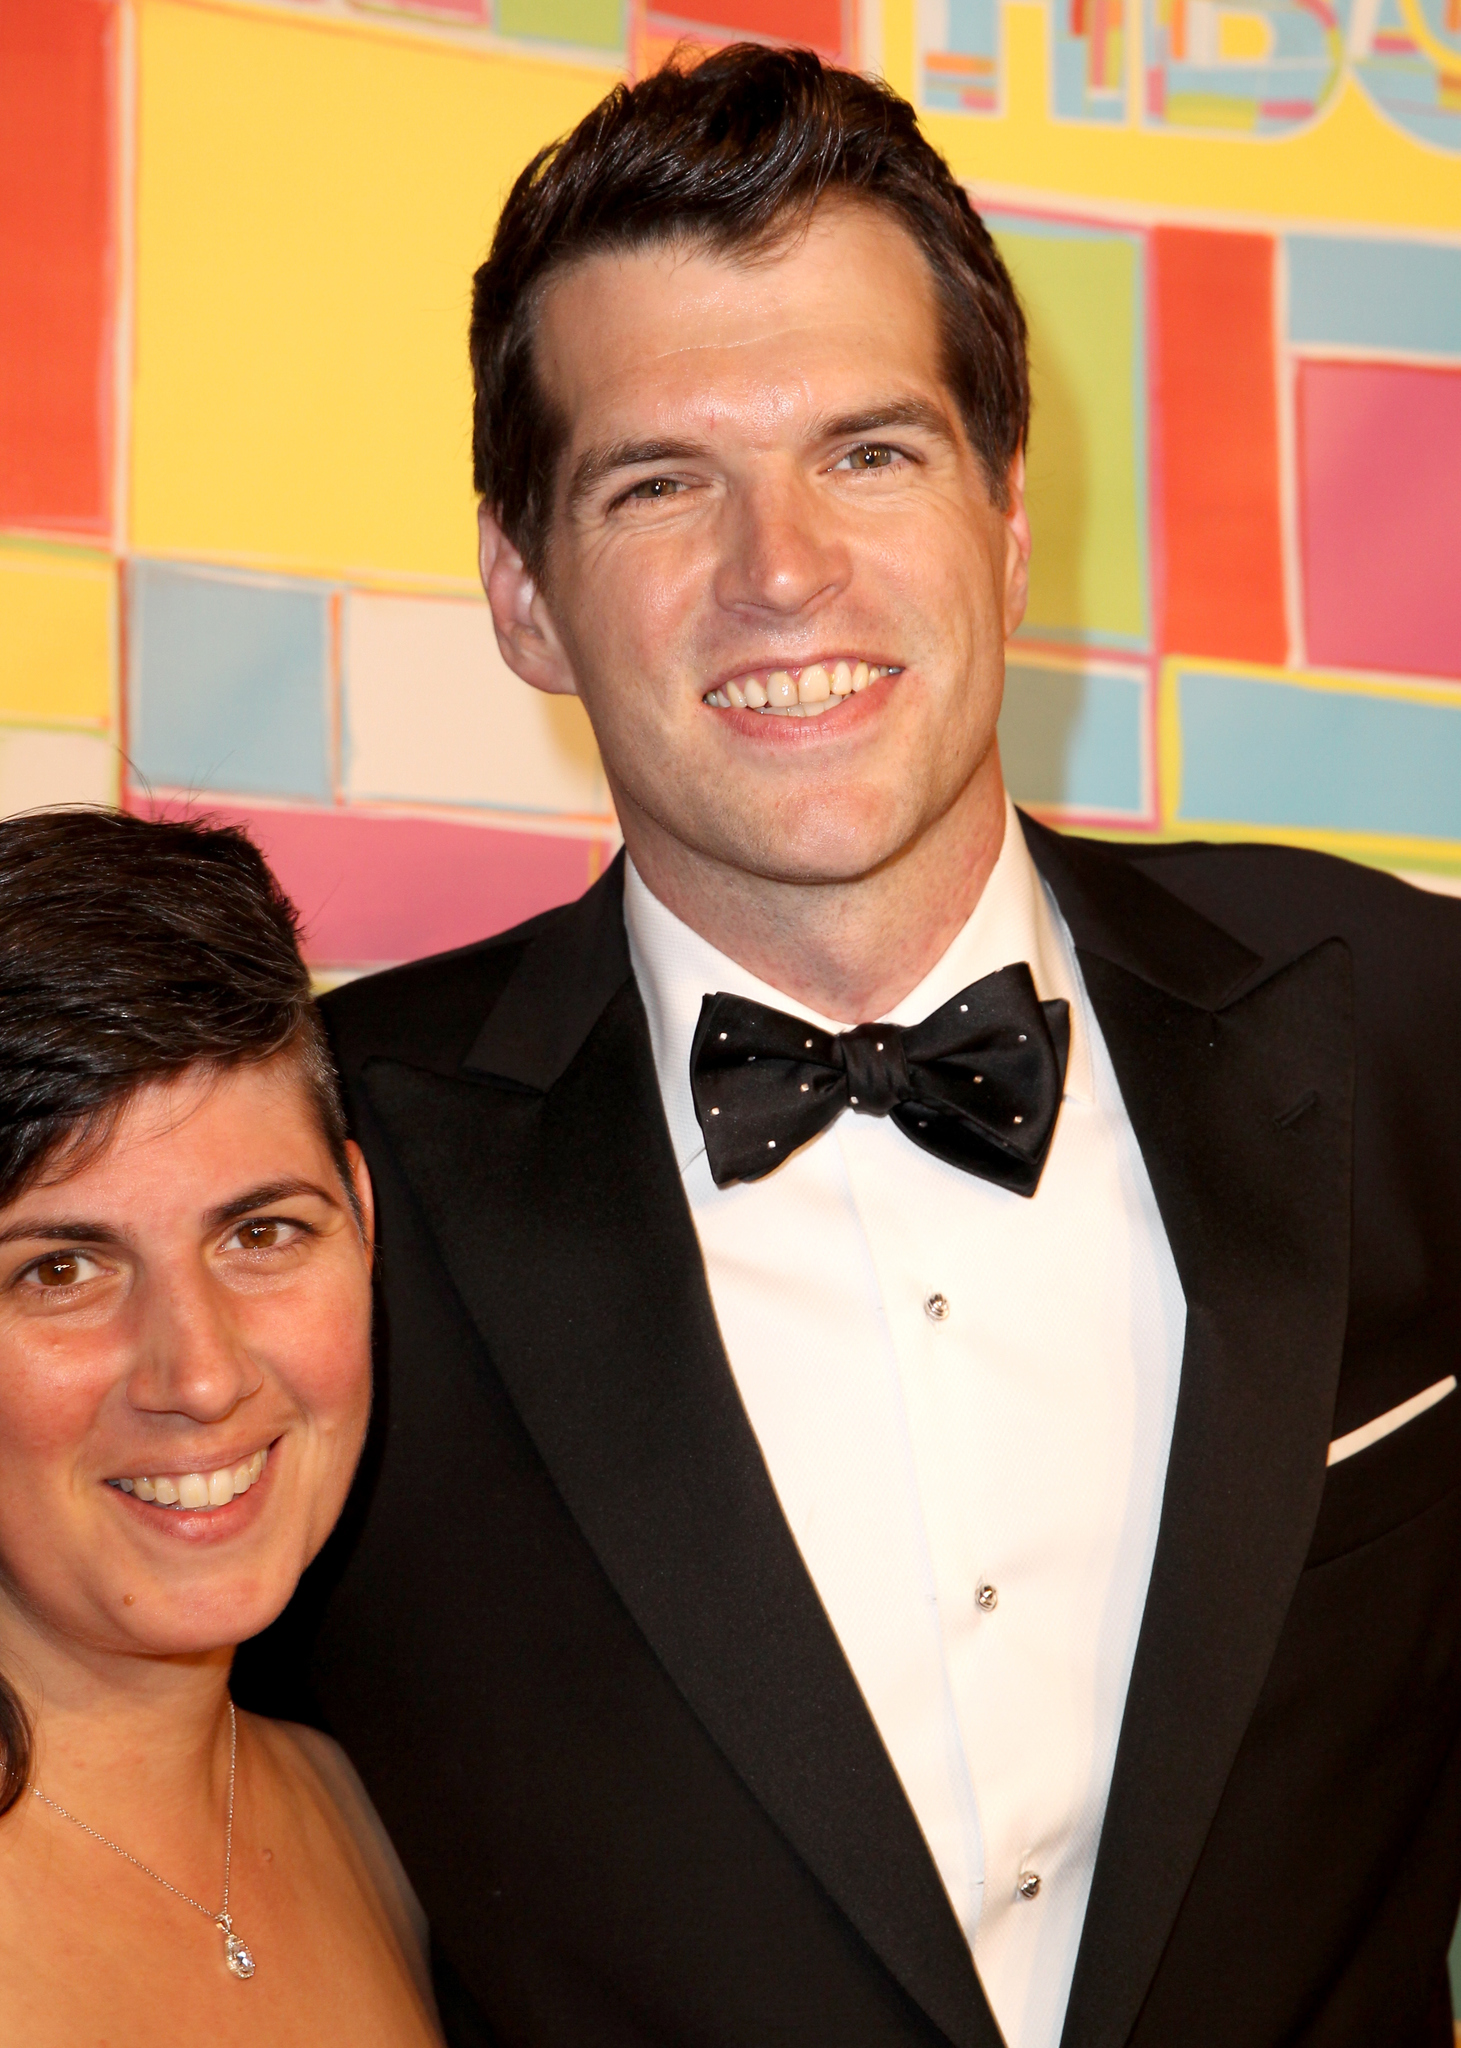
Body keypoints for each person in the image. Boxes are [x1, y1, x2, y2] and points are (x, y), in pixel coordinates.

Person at [237, 44, 1461, 2048]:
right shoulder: (317, 1187)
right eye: (657, 484)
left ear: (1001, 512)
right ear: (521, 596)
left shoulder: (1402, 1018)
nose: (778, 569)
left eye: (865, 452)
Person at [0, 810, 443, 2044]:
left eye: (262, 1233)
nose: (197, 1377)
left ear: (361, 1219)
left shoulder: (363, 1814)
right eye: (62, 1268)